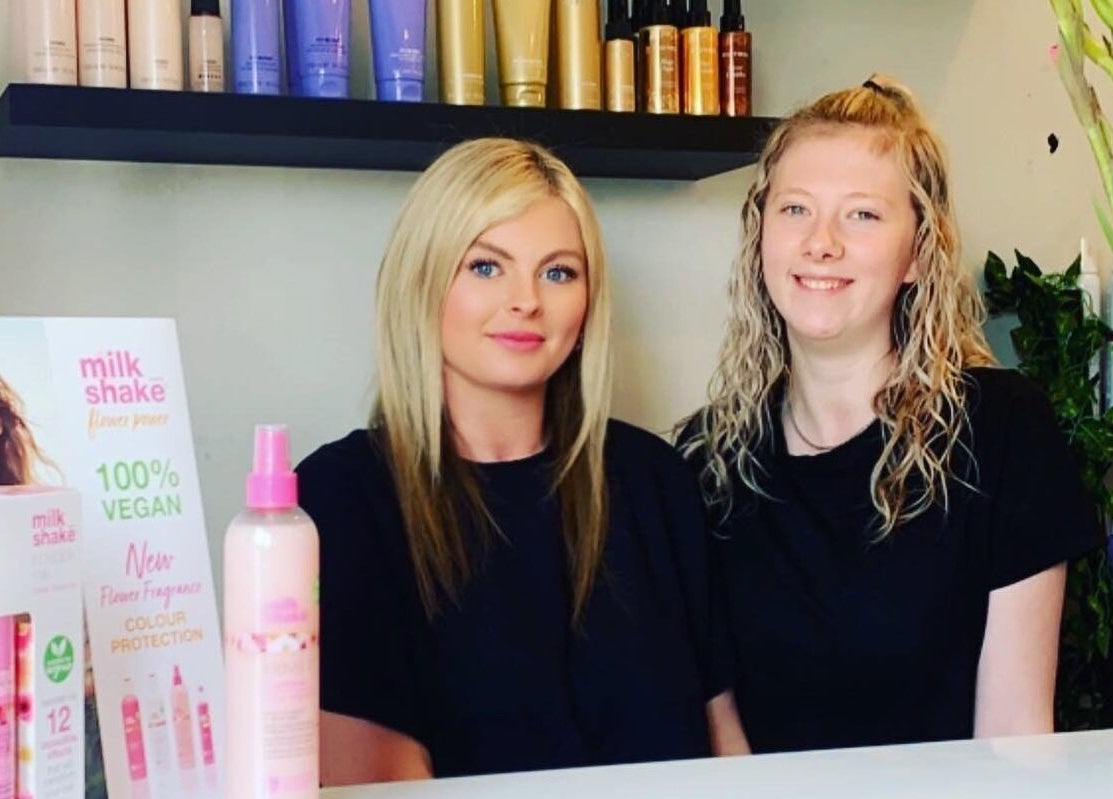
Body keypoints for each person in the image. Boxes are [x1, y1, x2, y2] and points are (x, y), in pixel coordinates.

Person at [677, 76, 1105, 754]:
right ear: (759, 235)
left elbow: (1017, 740)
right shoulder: (702, 463)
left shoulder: (1002, 433)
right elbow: (718, 742)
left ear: (917, 253)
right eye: (794, 209)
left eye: (862, 215)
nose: (820, 242)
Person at [296, 137, 745, 784]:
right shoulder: (341, 500)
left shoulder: (656, 481)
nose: (526, 300)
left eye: (558, 271)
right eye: (485, 266)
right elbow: (367, 780)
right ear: (422, 278)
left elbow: (725, 748)